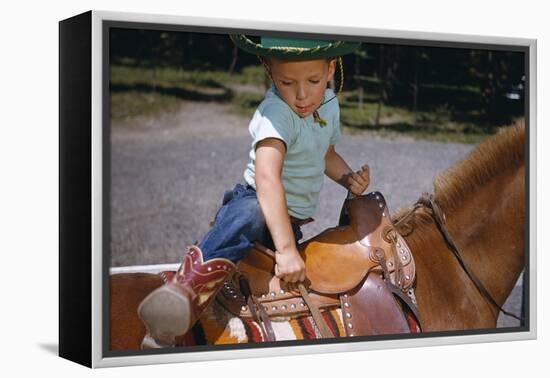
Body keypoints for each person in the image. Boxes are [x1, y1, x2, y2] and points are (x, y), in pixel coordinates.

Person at [137, 35, 370, 347]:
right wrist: (286, 250)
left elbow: (324, 153)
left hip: (290, 223)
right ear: (269, 71)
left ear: (330, 70)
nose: (301, 95)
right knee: (249, 213)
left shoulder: (328, 104)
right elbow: (267, 178)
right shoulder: (276, 112)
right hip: (257, 200)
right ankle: (182, 293)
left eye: (313, 80)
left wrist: (348, 178)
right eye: (287, 82)